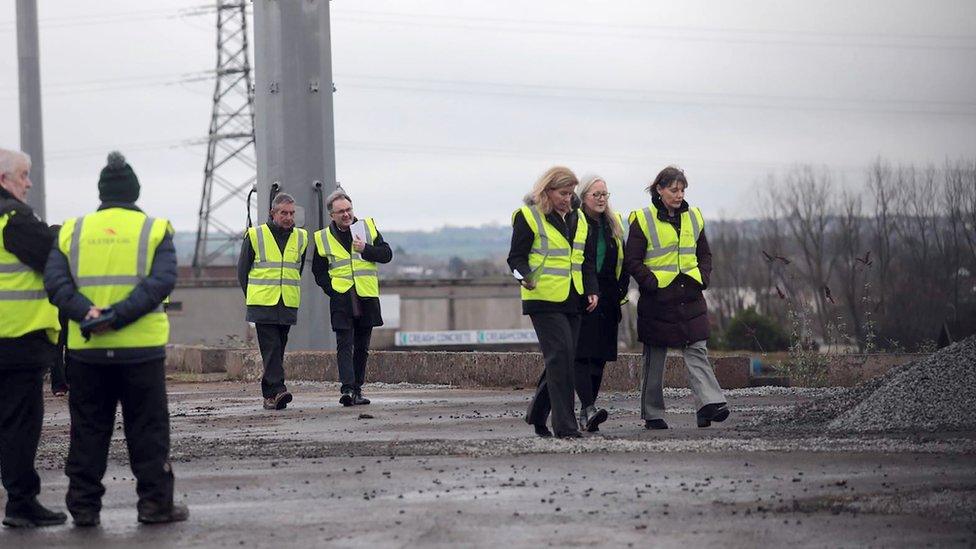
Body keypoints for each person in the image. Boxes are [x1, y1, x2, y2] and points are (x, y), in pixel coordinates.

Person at [44, 151, 188, 526]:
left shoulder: (73, 231)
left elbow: (56, 283)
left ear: (101, 192)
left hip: (86, 352)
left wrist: (88, 315)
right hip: (140, 352)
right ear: (135, 191)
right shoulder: (155, 230)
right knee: (148, 430)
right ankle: (156, 505)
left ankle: (84, 508)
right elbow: (162, 282)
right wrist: (118, 317)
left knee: (87, 432)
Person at [623, 166, 729, 430]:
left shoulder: (694, 217)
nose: (679, 195)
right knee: (655, 359)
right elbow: (632, 261)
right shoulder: (642, 219)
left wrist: (702, 277)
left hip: (690, 295)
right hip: (658, 298)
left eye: (682, 190)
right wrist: (651, 284)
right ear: (659, 190)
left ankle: (709, 404)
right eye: (674, 190)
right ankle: (652, 413)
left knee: (697, 350)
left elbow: (705, 253)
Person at [0, 148, 67, 527]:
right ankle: (21, 504)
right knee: (20, 427)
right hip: (15, 341)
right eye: (23, 175)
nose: (28, 183)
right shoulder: (13, 218)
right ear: (3, 179)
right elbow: (52, 255)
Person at [508, 166, 598, 438]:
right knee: (560, 357)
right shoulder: (529, 217)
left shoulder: (579, 219)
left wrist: (592, 289)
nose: (567, 199)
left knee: (563, 358)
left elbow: (586, 261)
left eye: (571, 194)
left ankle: (537, 414)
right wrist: (524, 276)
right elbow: (515, 259)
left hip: (573, 298)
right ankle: (565, 426)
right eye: (562, 193)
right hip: (543, 299)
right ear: (546, 190)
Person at [312, 190, 393, 406]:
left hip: (366, 295)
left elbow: (386, 254)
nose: (346, 214)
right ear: (332, 215)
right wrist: (332, 290)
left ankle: (357, 389)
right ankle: (347, 389)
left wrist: (365, 249)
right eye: (341, 212)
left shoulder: (367, 228)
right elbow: (318, 271)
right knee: (344, 344)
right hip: (342, 297)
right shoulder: (322, 237)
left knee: (362, 346)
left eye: (348, 209)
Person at [237, 192, 308, 411]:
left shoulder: (301, 237)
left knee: (278, 349)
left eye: (291, 213)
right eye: (284, 213)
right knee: (271, 347)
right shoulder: (256, 235)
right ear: (272, 213)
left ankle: (269, 395)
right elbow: (242, 271)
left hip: (287, 302)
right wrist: (253, 297)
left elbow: (298, 269)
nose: (288, 217)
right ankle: (278, 390)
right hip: (262, 302)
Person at [574, 175, 630, 432]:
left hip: (608, 296)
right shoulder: (575, 221)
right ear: (583, 196)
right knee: (582, 355)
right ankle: (587, 407)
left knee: (599, 358)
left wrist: (620, 291)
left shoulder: (613, 223)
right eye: (596, 194)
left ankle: (589, 409)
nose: (601, 199)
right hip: (582, 294)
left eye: (604, 194)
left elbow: (623, 260)